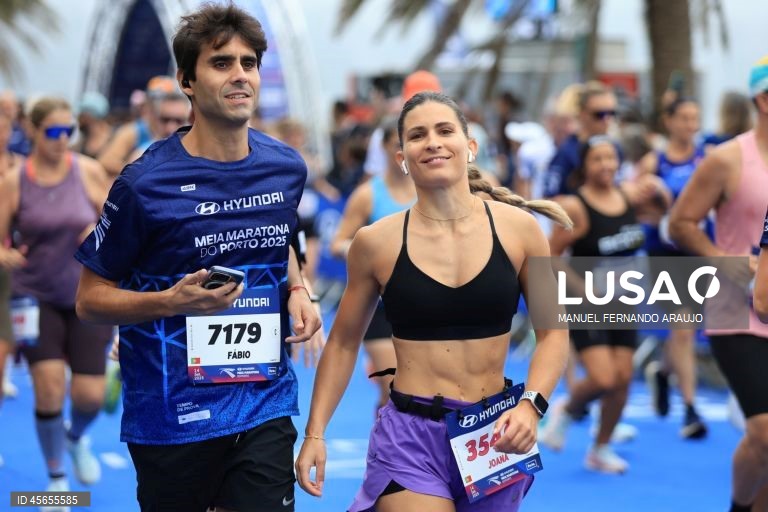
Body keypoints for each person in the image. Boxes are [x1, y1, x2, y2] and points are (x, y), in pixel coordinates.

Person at [74, 4, 321, 512]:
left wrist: (298, 288)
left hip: (263, 402)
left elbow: (280, 241)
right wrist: (171, 301)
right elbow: (89, 300)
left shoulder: (286, 169)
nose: (240, 75)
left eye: (249, 63)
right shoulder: (144, 185)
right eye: (221, 63)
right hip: (171, 416)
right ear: (186, 81)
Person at [295, 91, 571, 511]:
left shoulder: (522, 231)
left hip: (494, 435)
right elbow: (344, 342)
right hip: (410, 436)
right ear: (402, 156)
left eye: (445, 130)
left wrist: (532, 406)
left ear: (470, 145)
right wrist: (315, 433)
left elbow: (553, 332)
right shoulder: (376, 242)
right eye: (417, 135)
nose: (433, 143)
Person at [0, 97, 112, 507]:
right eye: (53, 131)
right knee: (49, 389)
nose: (62, 139)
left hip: (87, 296)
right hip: (34, 297)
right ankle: (56, 479)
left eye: (69, 131)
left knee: (89, 397)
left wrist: (97, 231)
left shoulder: (88, 171)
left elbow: (120, 225)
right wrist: (3, 255)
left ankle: (75, 437)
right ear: (33, 130)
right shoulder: (15, 181)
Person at [669, 56, 768, 512]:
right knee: (764, 432)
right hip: (734, 308)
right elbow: (680, 223)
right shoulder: (727, 158)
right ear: (762, 100)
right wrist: (726, 263)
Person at [538, 136, 668, 473]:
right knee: (604, 378)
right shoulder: (576, 206)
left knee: (623, 379)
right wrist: (585, 290)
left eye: (611, 157)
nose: (606, 165)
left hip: (624, 302)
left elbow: (663, 213)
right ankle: (568, 409)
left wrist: (659, 189)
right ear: (584, 165)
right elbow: (550, 254)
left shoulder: (627, 196)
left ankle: (600, 448)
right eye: (597, 159)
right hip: (587, 305)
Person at [330, 119, 416, 413]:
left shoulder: (430, 190)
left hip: (423, 305)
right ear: (385, 148)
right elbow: (338, 243)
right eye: (397, 144)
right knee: (394, 389)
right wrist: (373, 254)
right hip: (378, 307)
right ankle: (384, 440)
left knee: (419, 392)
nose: (403, 150)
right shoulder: (368, 194)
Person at [636, 97, 709, 439]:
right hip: (664, 255)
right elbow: (633, 205)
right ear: (668, 121)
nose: (690, 125)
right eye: (683, 118)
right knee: (683, 328)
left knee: (686, 329)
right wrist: (658, 205)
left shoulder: (707, 158)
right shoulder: (654, 162)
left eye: (695, 118)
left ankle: (663, 372)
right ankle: (691, 409)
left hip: (698, 252)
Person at [543, 81, 619, 198]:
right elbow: (551, 198)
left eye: (612, 113)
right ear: (582, 114)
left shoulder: (616, 148)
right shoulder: (566, 153)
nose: (607, 120)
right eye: (600, 114)